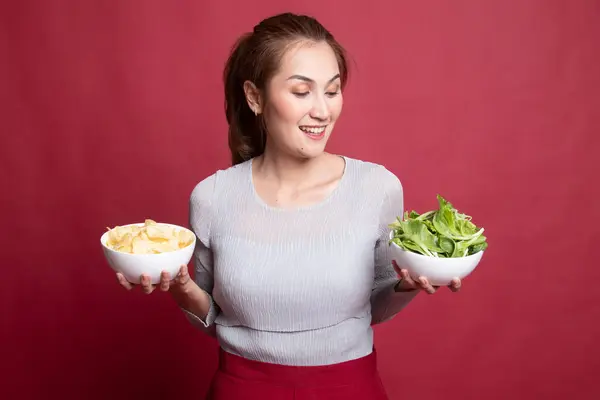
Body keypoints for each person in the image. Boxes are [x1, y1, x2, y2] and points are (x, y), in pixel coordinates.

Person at [116, 12, 462, 400]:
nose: (322, 111)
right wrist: (180, 286)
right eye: (302, 92)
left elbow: (375, 305)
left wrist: (406, 285)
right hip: (243, 389)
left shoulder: (377, 187)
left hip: (348, 388)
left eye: (331, 91)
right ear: (254, 97)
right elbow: (213, 314)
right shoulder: (212, 197)